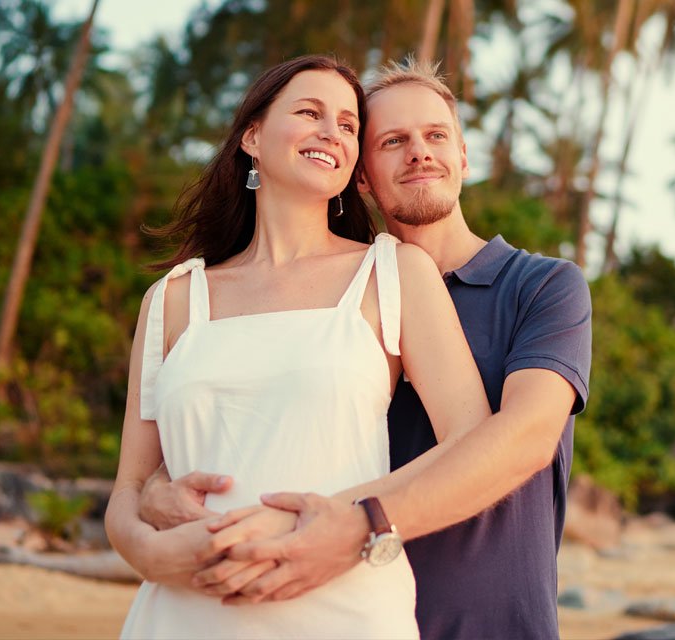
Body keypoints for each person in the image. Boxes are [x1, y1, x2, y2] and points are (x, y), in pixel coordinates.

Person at [138, 59, 592, 640]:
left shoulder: (542, 286)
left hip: (490, 624)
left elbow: (523, 439)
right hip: (329, 610)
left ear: (463, 157)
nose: (420, 153)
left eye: (436, 136)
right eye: (392, 140)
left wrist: (358, 525)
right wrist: (152, 492)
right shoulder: (338, 299)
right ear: (361, 174)